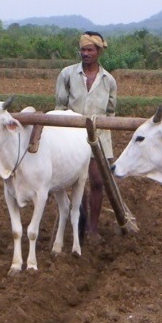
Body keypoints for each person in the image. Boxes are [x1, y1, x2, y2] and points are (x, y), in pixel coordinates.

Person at [55, 31, 117, 241]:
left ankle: (93, 228)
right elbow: (60, 107)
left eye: (90, 50)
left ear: (99, 52)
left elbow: (110, 113)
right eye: (83, 49)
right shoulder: (67, 74)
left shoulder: (109, 80)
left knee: (97, 182)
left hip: (99, 136)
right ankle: (78, 224)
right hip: (72, 136)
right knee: (75, 181)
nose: (85, 53)